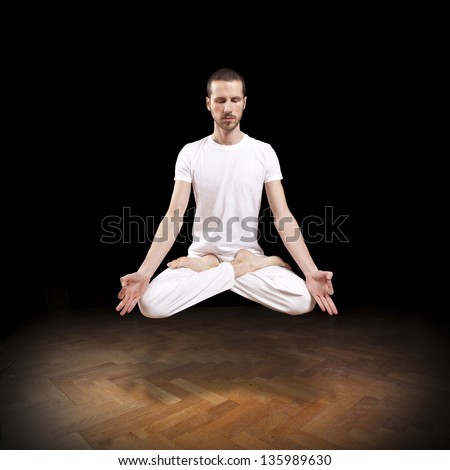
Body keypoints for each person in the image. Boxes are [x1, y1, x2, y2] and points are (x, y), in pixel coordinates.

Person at [116, 68, 337, 318]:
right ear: (208, 104)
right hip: (201, 256)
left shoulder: (263, 152)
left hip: (247, 256)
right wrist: (144, 273)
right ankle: (236, 266)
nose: (228, 108)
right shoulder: (191, 152)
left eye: (234, 100)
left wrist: (310, 271)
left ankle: (235, 265)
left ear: (244, 102)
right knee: (151, 305)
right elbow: (174, 215)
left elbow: (282, 215)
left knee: (302, 300)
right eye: (220, 100)